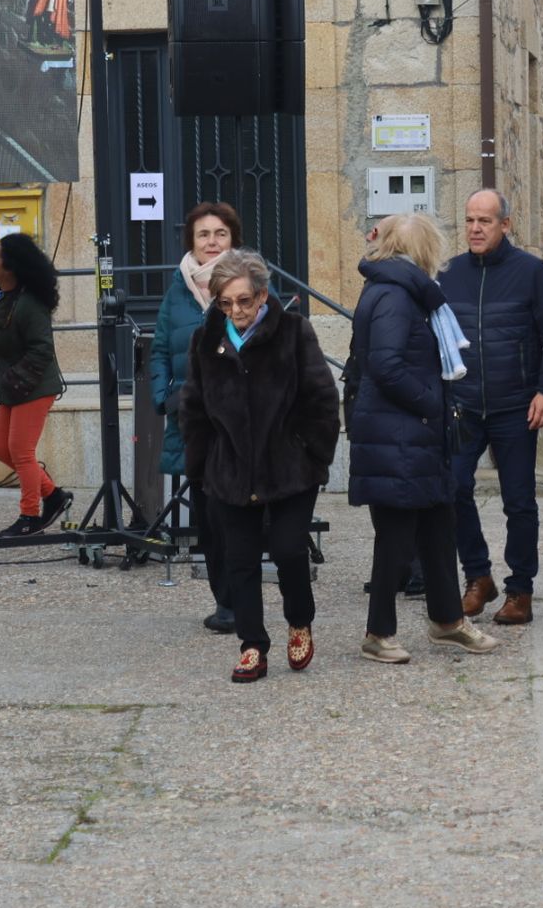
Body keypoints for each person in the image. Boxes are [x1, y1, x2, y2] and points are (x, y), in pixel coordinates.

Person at [179, 249, 341, 683]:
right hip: (229, 470)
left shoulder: (294, 332)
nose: (236, 311)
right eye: (226, 303)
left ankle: (299, 620)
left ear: (263, 295)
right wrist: (202, 465)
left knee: (289, 550)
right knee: (240, 559)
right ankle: (252, 645)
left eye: (244, 301)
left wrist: (311, 453)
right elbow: (193, 407)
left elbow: (322, 399)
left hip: (289, 467)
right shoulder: (206, 340)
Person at [348, 214, 501, 663]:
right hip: (398, 434)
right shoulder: (395, 295)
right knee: (396, 538)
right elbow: (387, 366)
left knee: (438, 528)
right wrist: (432, 402)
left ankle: (448, 621)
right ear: (422, 250)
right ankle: (378, 634)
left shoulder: (407, 291)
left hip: (415, 435)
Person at [439, 189, 543, 626]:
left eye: (485, 221)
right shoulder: (449, 274)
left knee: (519, 501)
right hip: (462, 405)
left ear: (505, 225)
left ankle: (520, 590)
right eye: (469, 220)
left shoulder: (531, 272)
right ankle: (478, 576)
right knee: (453, 489)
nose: (475, 229)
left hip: (516, 405)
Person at [150, 202, 241, 633]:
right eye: (203, 234)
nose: (212, 242)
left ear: (233, 239)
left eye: (220, 233)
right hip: (195, 423)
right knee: (207, 518)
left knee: (235, 514)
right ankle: (225, 602)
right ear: (191, 240)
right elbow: (159, 350)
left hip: (240, 424)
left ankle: (243, 598)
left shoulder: (251, 282)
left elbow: (277, 342)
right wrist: (164, 397)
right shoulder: (177, 290)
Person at [0, 232, 71, 538]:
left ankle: (30, 517)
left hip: (34, 386)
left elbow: (42, 350)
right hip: (12, 386)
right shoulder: (0, 295)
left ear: (10, 267)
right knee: (0, 448)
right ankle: (54, 495)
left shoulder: (30, 304)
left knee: (20, 451)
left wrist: (13, 377)